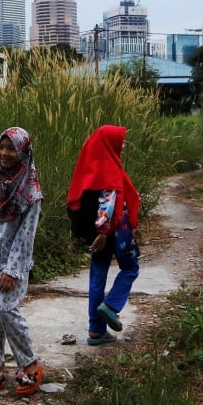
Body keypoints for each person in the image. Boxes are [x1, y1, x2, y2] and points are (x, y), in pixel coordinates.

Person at [0, 127, 45, 396]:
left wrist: (13, 270)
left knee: (6, 308)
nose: (4, 153)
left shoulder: (30, 190)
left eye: (10, 148)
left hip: (12, 259)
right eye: (1, 147)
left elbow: (27, 236)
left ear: (23, 150)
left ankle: (29, 364)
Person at [66, 125, 142, 346]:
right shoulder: (109, 168)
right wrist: (102, 232)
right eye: (120, 140)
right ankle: (111, 305)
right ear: (109, 143)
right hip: (116, 232)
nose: (124, 145)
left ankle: (96, 331)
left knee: (97, 276)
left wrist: (92, 234)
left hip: (98, 234)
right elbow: (107, 203)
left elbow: (81, 201)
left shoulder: (89, 167)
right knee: (131, 268)